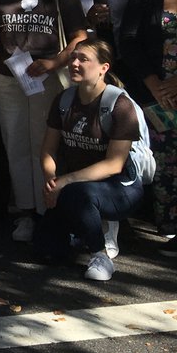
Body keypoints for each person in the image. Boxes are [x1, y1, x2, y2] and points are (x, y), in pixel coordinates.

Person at [0, 0, 87, 242]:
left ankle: (50, 209)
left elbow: (80, 36)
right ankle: (26, 212)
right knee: (16, 144)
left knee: (46, 145)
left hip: (49, 76)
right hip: (8, 77)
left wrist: (55, 62)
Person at [37, 39, 144, 281]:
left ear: (103, 67)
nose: (74, 63)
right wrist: (51, 182)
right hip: (73, 185)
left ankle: (100, 254)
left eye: (83, 59)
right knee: (47, 251)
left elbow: (114, 164)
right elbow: (48, 150)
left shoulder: (120, 104)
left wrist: (65, 181)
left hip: (120, 188)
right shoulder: (64, 100)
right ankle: (83, 228)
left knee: (78, 194)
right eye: (73, 57)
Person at [120, 0, 177, 253]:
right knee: (165, 162)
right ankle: (168, 225)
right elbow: (128, 42)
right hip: (158, 96)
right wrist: (154, 82)